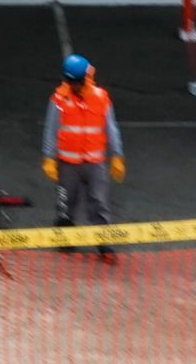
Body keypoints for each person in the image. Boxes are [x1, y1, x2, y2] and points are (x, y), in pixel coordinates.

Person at [41, 53, 125, 262]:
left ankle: (104, 245)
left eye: (77, 82)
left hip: (95, 163)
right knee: (66, 203)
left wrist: (117, 154)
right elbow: (51, 130)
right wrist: (49, 157)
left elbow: (111, 127)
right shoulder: (59, 100)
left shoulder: (101, 97)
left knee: (99, 203)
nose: (74, 86)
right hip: (68, 163)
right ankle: (65, 239)